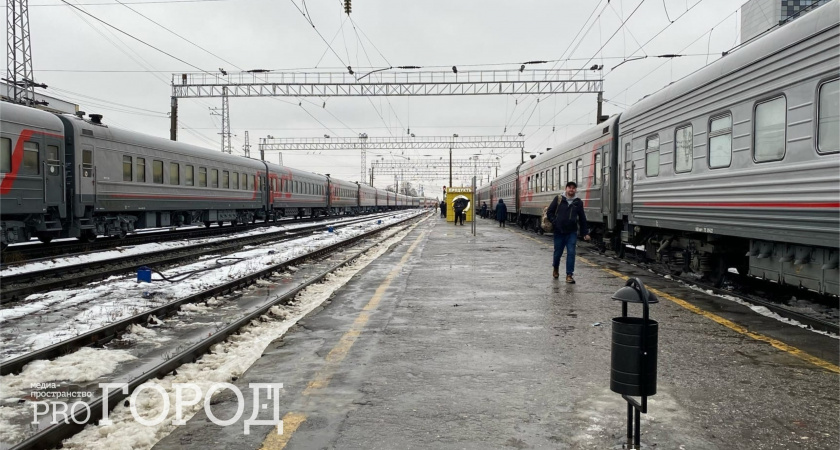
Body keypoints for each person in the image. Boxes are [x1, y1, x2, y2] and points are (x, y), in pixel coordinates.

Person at [546, 181, 590, 283]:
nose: (571, 189)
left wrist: (585, 233)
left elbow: (582, 218)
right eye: (569, 187)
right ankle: (555, 268)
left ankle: (569, 275)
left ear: (575, 190)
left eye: (573, 188)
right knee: (558, 253)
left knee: (571, 253)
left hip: (571, 232)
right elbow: (549, 212)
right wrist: (555, 222)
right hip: (559, 232)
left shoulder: (578, 202)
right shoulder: (559, 199)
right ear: (566, 189)